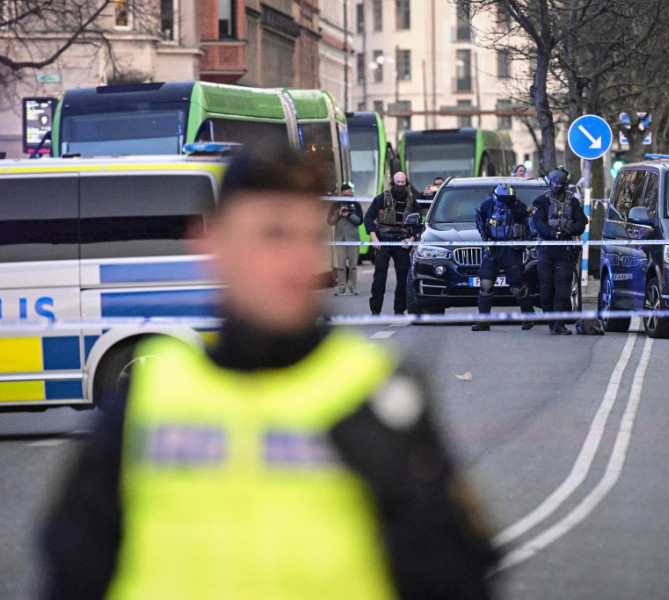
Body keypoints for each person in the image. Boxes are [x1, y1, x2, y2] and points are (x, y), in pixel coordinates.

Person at [41, 146, 496, 600]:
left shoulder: (374, 394)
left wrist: (407, 492)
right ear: (211, 243)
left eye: (309, 237)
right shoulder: (149, 400)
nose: (298, 261)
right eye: (273, 235)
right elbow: (73, 572)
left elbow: (457, 580)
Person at [471, 183, 535, 331]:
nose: (506, 201)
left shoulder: (520, 207)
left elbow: (532, 226)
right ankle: (483, 321)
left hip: (512, 249)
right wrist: (485, 238)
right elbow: (480, 222)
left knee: (516, 287)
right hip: (492, 248)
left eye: (509, 198)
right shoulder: (488, 205)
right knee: (485, 284)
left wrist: (524, 241)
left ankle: (528, 315)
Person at [531, 166, 587, 335]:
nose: (557, 186)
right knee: (546, 287)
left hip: (565, 250)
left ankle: (559, 323)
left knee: (563, 287)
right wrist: (552, 234)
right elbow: (538, 223)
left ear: (565, 185)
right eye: (554, 183)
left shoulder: (573, 202)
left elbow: (581, 222)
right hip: (546, 249)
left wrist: (567, 231)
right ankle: (551, 321)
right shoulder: (541, 201)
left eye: (560, 183)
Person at [364, 172, 421, 315]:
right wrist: (374, 237)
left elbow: (418, 222)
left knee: (404, 278)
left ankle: (399, 311)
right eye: (398, 182)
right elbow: (368, 218)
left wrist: (411, 239)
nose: (400, 185)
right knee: (379, 277)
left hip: (402, 241)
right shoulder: (382, 198)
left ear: (406, 183)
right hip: (384, 239)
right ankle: (375, 310)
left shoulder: (411, 200)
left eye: (403, 182)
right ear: (393, 182)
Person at [328, 182, 363, 295]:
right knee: (341, 266)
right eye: (344, 195)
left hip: (353, 239)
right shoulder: (335, 205)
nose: (347, 197)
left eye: (349, 195)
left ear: (351, 194)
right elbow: (329, 221)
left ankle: (352, 286)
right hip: (340, 239)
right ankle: (341, 287)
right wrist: (338, 214)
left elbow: (359, 221)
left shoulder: (355, 204)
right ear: (341, 194)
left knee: (353, 265)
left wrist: (349, 215)